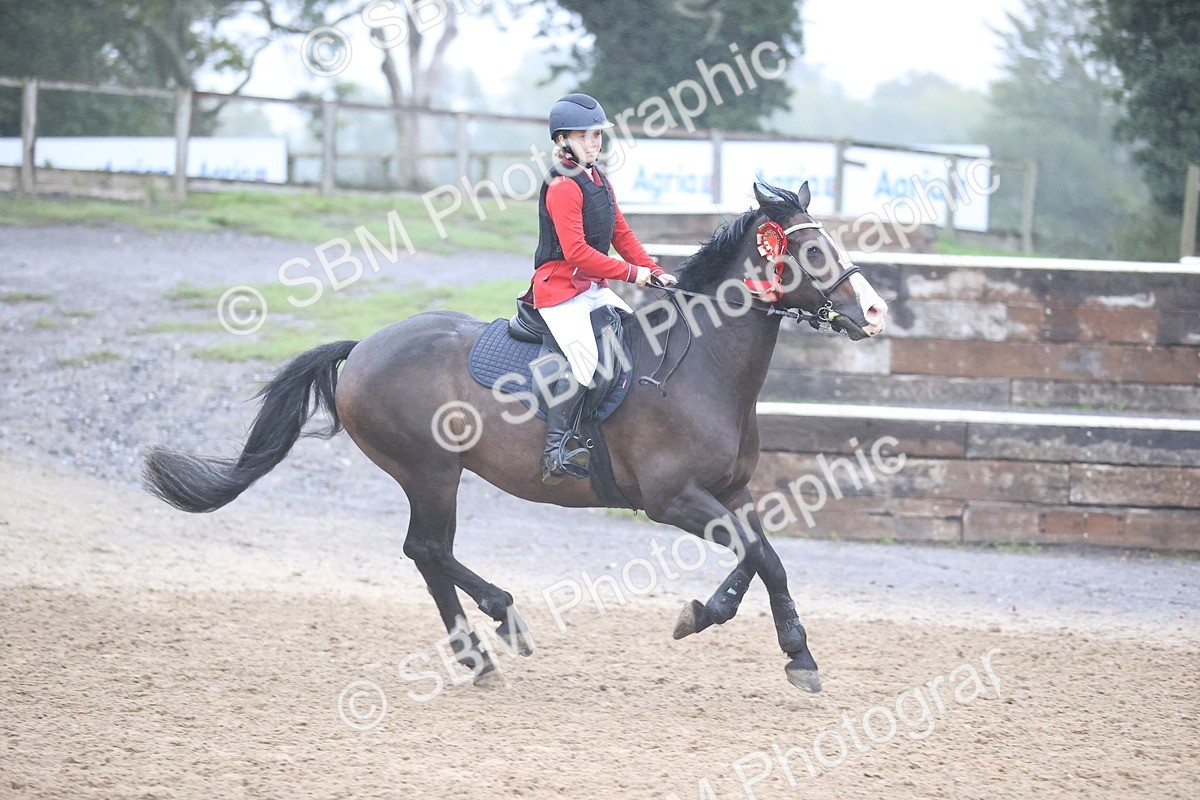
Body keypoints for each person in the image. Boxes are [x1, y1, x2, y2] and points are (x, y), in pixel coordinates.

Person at [522, 92, 677, 485]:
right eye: (587, 135)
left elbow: (620, 233)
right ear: (562, 140)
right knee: (585, 359)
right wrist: (631, 274)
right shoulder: (562, 186)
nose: (595, 142)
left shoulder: (598, 178)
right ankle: (555, 450)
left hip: (590, 287)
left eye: (598, 135)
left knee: (636, 336)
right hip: (559, 288)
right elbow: (576, 252)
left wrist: (653, 270)